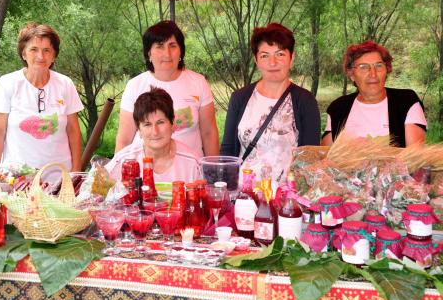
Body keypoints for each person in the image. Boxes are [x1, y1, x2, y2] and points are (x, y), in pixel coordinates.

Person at [220, 23, 320, 183]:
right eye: (265, 55)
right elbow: (227, 151)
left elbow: (310, 158)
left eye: (280, 54)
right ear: (256, 60)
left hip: (286, 199)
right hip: (244, 196)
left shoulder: (305, 101)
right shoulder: (240, 98)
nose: (272, 63)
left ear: (291, 58)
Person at [0, 23, 83, 176]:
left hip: (60, 179)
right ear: (24, 54)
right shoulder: (7, 83)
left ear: (54, 56)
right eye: (34, 49)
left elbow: (74, 131)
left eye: (47, 50)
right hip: (17, 179)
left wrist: (76, 173)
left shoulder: (65, 84)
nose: (41, 56)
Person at [115, 20, 219, 158]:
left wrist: (213, 171)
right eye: (160, 46)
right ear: (149, 53)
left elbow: (209, 133)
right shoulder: (135, 86)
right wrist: (120, 174)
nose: (167, 53)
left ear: (181, 50)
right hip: (145, 172)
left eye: (173, 46)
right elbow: (124, 139)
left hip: (191, 172)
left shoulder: (198, 82)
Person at [322, 40, 427, 147]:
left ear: (387, 70)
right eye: (363, 67)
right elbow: (325, 155)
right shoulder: (338, 108)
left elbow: (414, 156)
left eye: (378, 66)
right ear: (352, 74)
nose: (373, 74)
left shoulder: (406, 102)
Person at [106, 87, 201, 183]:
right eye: (147, 124)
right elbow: (95, 193)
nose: (155, 132)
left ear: (172, 123)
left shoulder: (193, 163)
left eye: (160, 122)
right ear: (139, 129)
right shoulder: (123, 161)